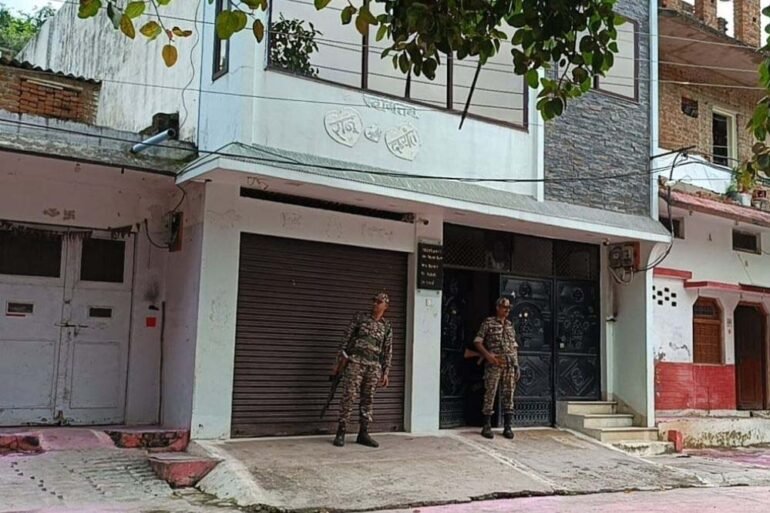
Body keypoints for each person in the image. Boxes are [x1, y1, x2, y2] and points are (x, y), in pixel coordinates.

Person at [332, 292, 393, 448]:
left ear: (385, 306)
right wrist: (338, 363)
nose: (375, 304)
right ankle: (341, 431)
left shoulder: (386, 326)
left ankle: (363, 433)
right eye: (374, 301)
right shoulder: (360, 318)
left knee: (368, 399)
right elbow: (345, 340)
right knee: (349, 396)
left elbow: (387, 351)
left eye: (379, 302)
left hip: (373, 367)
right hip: (355, 363)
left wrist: (385, 372)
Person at [473, 296, 520, 440]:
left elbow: (514, 347)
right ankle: (486, 426)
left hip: (509, 365)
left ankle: (508, 427)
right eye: (504, 307)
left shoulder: (510, 325)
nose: (507, 310)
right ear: (498, 307)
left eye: (509, 308)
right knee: (490, 393)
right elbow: (478, 341)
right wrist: (488, 356)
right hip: (494, 364)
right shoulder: (488, 323)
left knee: (509, 394)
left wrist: (517, 365)